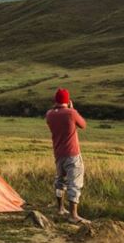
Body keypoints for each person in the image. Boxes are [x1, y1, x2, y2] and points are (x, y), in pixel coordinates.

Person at [45, 88, 88, 223]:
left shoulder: (49, 114)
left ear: (55, 100)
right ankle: (73, 215)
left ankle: (60, 208)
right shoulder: (71, 113)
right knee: (74, 183)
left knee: (60, 182)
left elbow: (56, 116)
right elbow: (83, 125)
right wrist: (73, 109)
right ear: (68, 100)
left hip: (58, 154)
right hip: (72, 154)